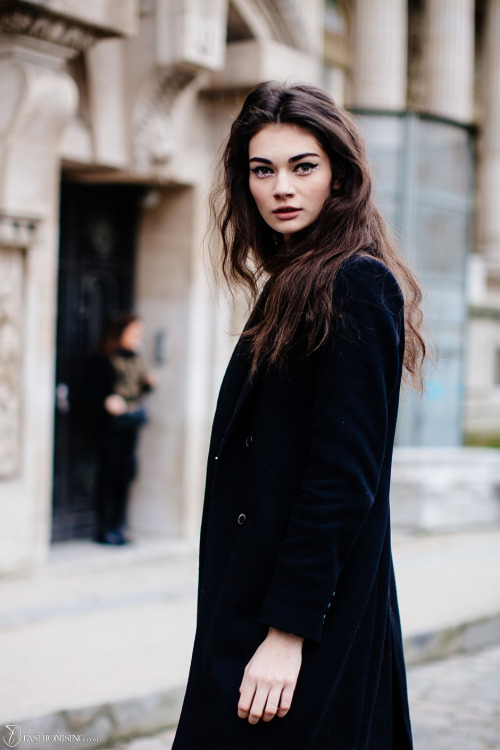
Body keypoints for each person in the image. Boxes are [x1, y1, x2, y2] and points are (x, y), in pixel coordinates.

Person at [172, 81, 426, 749]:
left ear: (338, 176)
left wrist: (286, 634)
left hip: (302, 621)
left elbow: (342, 480)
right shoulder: (292, 284)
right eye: (263, 169)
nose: (281, 186)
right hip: (252, 598)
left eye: (302, 166)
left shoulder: (354, 284)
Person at [90, 313, 156, 545]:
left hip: (131, 425)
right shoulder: (106, 358)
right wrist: (108, 400)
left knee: (125, 475)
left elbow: (139, 390)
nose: (138, 337)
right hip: (111, 428)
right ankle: (104, 528)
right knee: (108, 476)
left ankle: (119, 526)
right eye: (134, 332)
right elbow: (94, 391)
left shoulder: (136, 358)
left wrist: (148, 385)